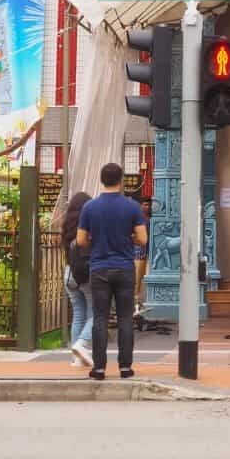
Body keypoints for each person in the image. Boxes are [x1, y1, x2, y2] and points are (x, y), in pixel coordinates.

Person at [77, 163, 148, 381]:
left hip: (99, 268)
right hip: (125, 267)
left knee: (100, 317)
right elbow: (143, 239)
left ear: (101, 179)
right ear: (121, 180)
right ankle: (125, 367)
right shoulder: (132, 207)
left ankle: (99, 368)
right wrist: (130, 238)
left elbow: (80, 240)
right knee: (126, 318)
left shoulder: (90, 207)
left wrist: (95, 240)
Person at [61, 192, 93, 368]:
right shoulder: (88, 225)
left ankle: (77, 358)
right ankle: (82, 344)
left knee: (78, 314)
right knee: (96, 313)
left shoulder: (67, 225)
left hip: (69, 273)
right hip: (85, 274)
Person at [133, 196, 153, 310]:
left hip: (148, 252)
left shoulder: (151, 219)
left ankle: (143, 300)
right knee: (137, 279)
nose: (147, 207)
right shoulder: (137, 219)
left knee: (147, 278)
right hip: (138, 253)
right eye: (145, 205)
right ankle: (136, 301)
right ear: (140, 205)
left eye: (149, 205)